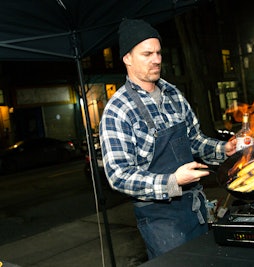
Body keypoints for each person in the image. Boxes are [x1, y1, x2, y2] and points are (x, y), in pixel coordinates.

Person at [99, 19, 236, 260]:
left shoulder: (173, 94)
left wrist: (224, 148)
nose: (157, 59)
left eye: (159, 52)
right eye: (147, 54)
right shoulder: (118, 110)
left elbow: (194, 140)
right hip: (160, 221)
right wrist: (172, 181)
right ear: (127, 58)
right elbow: (118, 175)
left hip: (196, 208)